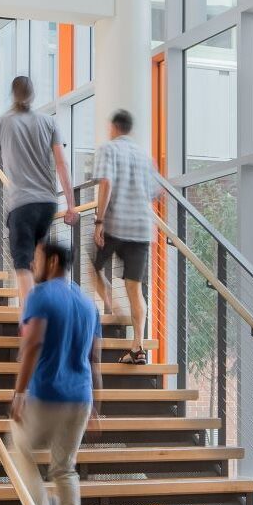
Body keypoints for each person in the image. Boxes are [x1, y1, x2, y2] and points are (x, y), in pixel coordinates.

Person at [11, 238, 102, 505]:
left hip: (46, 395)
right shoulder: (88, 302)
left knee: (18, 447)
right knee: (65, 469)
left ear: (52, 262)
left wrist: (19, 392)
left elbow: (32, 343)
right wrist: (97, 407)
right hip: (81, 398)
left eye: (36, 259)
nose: (33, 266)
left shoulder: (41, 296)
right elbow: (95, 359)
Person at [0, 75, 79, 315]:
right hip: (47, 204)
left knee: (22, 263)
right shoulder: (48, 122)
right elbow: (62, 164)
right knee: (37, 261)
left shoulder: (0, 123)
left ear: (13, 94)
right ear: (33, 95)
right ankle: (51, 313)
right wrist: (71, 204)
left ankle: (32, 320)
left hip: (22, 204)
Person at [92, 108, 161, 362]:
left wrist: (99, 220)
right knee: (135, 288)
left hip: (115, 223)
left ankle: (112, 307)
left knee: (94, 266)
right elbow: (156, 191)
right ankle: (137, 346)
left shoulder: (108, 150)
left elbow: (106, 183)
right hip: (142, 227)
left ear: (114, 127)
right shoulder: (144, 156)